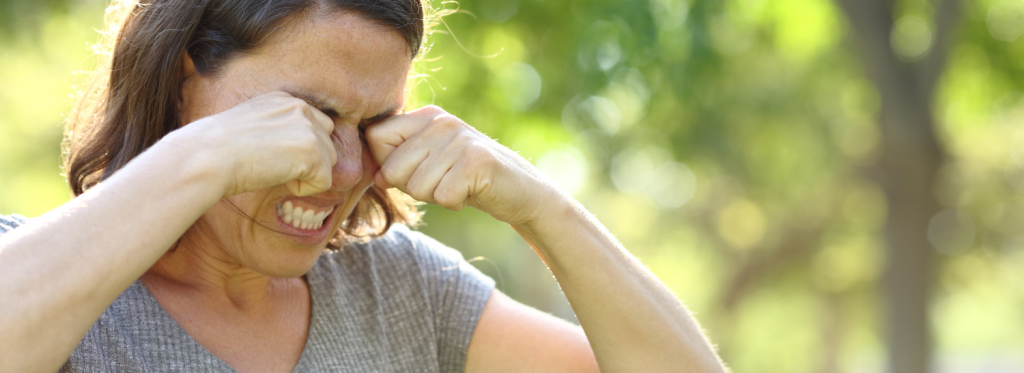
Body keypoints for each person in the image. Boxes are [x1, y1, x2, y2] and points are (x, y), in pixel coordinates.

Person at [0, 0, 726, 372]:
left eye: (372, 123)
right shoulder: (46, 276)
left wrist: (541, 205)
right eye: (306, 115)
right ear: (186, 80)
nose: (341, 169)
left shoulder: (403, 292)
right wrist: (203, 158)